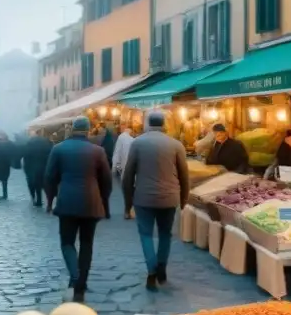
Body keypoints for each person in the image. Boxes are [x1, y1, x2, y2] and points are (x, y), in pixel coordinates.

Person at [44, 116, 112, 302]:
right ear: (88, 130)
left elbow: (49, 177)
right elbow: (106, 181)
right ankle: (80, 284)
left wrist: (50, 201)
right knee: (87, 244)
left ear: (72, 129)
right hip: (91, 203)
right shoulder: (98, 151)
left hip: (66, 202)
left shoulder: (58, 149)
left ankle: (75, 277)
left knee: (67, 242)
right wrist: (104, 203)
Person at [122, 111, 190, 290]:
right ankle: (162, 268)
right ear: (164, 124)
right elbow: (184, 176)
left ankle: (152, 270)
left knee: (145, 234)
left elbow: (128, 176)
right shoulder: (176, 145)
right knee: (165, 234)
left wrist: (127, 204)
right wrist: (183, 200)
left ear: (147, 124)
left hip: (143, 198)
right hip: (169, 198)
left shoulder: (137, 143)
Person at [23, 130, 53, 207]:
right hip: (44, 166)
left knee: (34, 184)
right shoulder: (47, 142)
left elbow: (26, 156)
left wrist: (26, 168)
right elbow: (51, 154)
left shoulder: (29, 142)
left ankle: (35, 198)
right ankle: (48, 201)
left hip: (32, 167)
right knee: (44, 184)